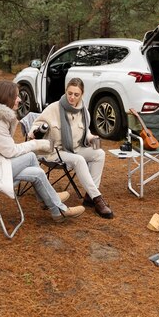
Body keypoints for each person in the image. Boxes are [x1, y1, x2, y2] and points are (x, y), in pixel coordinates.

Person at [0, 80, 85, 222]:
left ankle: (54, 207)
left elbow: (6, 149)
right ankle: (55, 204)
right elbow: (10, 152)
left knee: (37, 171)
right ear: (6, 98)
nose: (20, 100)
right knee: (33, 161)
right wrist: (36, 143)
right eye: (16, 96)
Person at [29, 77, 114, 219]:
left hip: (74, 149)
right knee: (79, 160)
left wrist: (92, 138)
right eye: (69, 93)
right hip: (54, 152)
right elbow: (35, 127)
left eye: (76, 94)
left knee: (99, 153)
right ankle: (97, 199)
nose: (72, 97)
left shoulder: (84, 112)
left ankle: (89, 196)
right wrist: (36, 131)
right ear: (65, 91)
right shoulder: (54, 108)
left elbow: (86, 133)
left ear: (82, 95)